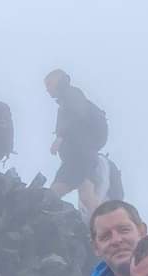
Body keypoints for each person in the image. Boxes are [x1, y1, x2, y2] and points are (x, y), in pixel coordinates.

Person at [45, 69, 109, 217]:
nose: (47, 89)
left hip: (80, 156)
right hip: (81, 156)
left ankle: (103, 226)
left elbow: (77, 115)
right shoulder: (67, 99)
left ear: (58, 80)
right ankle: (100, 226)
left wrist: (60, 137)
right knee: (85, 196)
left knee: (58, 193)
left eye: (49, 84)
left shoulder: (71, 94)